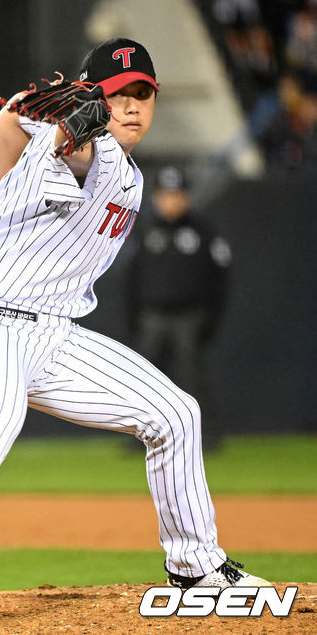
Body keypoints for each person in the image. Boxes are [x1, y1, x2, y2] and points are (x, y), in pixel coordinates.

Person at [0, 38, 270, 618]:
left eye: (143, 94)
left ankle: (197, 568)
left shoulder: (131, 177)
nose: (133, 106)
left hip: (53, 334)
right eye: (119, 95)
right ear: (92, 96)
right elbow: (19, 110)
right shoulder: (63, 141)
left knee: (176, 413)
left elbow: (50, 133)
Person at [127, 165, 232, 450]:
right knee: (144, 381)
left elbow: (219, 282)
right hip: (153, 317)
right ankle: (141, 439)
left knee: (192, 380)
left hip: (189, 316)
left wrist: (209, 321)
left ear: (186, 197)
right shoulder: (146, 231)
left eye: (176, 195)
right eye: (165, 195)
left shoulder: (203, 232)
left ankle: (205, 438)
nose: (170, 201)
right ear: (156, 198)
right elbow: (132, 280)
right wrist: (135, 317)